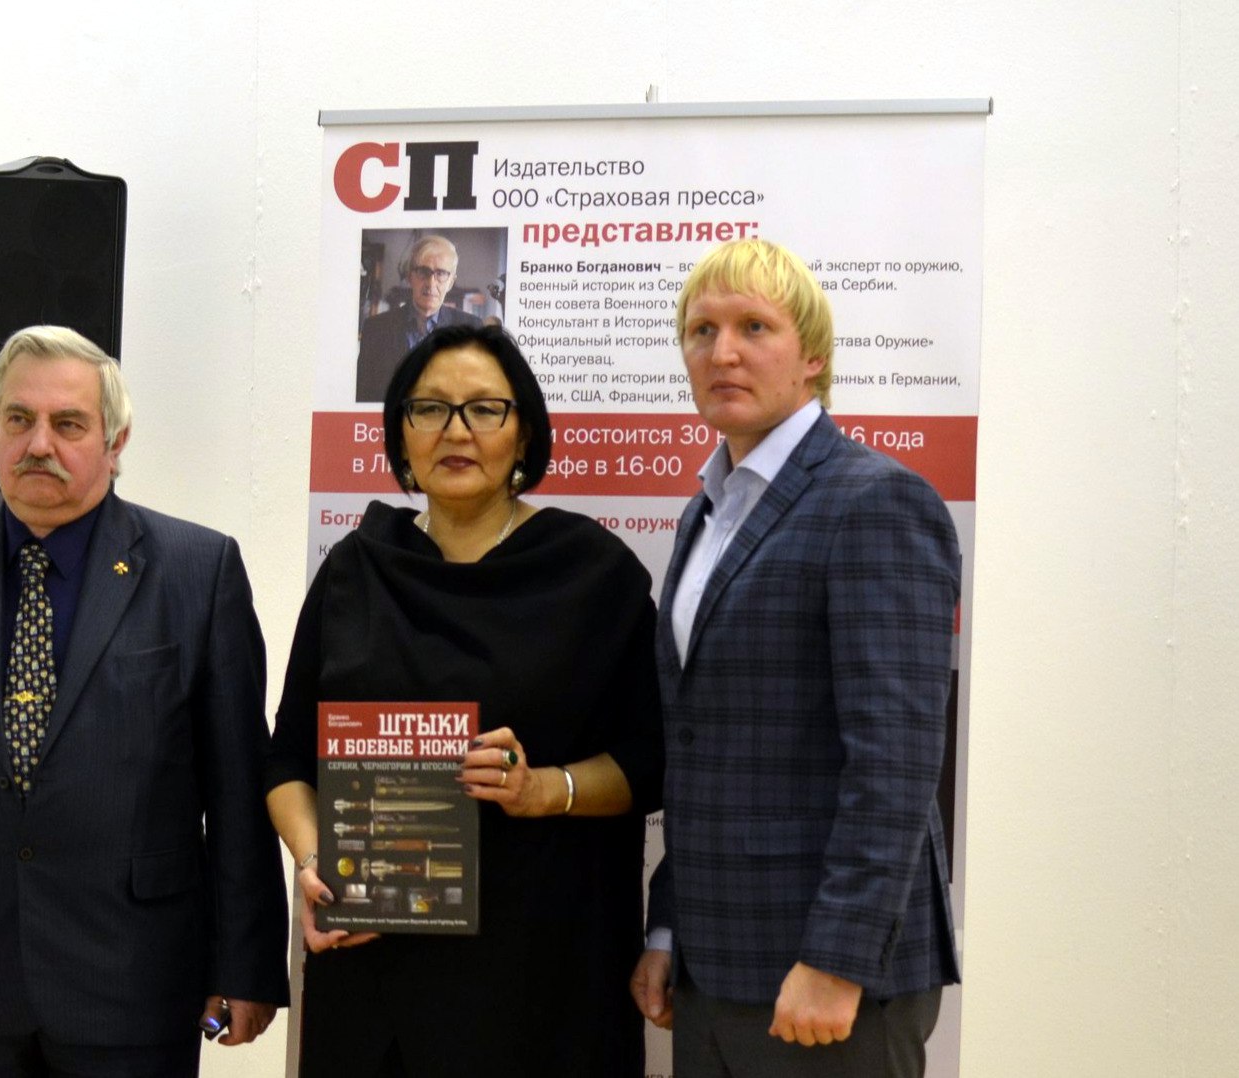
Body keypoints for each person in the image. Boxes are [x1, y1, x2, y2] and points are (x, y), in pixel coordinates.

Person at [0, 326, 289, 1075]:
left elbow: (238, 789)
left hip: (136, 982)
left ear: (116, 442)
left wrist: (245, 963)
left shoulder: (197, 571)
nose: (38, 443)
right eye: (17, 420)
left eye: (68, 424)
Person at [268, 323, 663, 1077]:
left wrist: (544, 789)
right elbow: (287, 757)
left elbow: (652, 760)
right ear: (401, 435)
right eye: (429, 409)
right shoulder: (357, 568)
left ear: (524, 437)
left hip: (542, 974)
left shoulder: (589, 573)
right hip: (374, 965)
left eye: (484, 409)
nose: (456, 431)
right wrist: (315, 858)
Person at [630, 239, 962, 1077]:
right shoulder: (704, 513)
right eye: (700, 330)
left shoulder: (874, 499)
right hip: (716, 960)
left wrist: (837, 959)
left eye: (753, 327)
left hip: (824, 977)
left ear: (812, 356)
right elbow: (698, 750)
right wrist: (669, 927)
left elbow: (895, 762)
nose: (722, 351)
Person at [356, 234, 483, 402]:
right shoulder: (375, 328)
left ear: (451, 282)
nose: (431, 283)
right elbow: (363, 395)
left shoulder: (472, 328)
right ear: (410, 276)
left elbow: (477, 392)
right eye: (423, 271)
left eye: (441, 274)